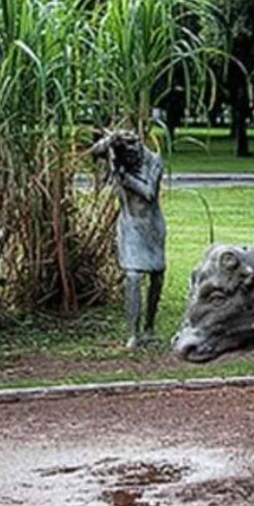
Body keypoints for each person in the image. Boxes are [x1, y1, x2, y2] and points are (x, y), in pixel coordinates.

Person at [89, 129, 166, 347]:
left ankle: (149, 328)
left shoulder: (154, 160)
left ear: (139, 146)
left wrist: (124, 176)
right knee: (132, 276)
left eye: (133, 153)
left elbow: (149, 193)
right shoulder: (119, 154)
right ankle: (133, 333)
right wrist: (109, 142)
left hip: (152, 226)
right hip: (130, 224)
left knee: (157, 276)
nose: (129, 157)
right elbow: (93, 152)